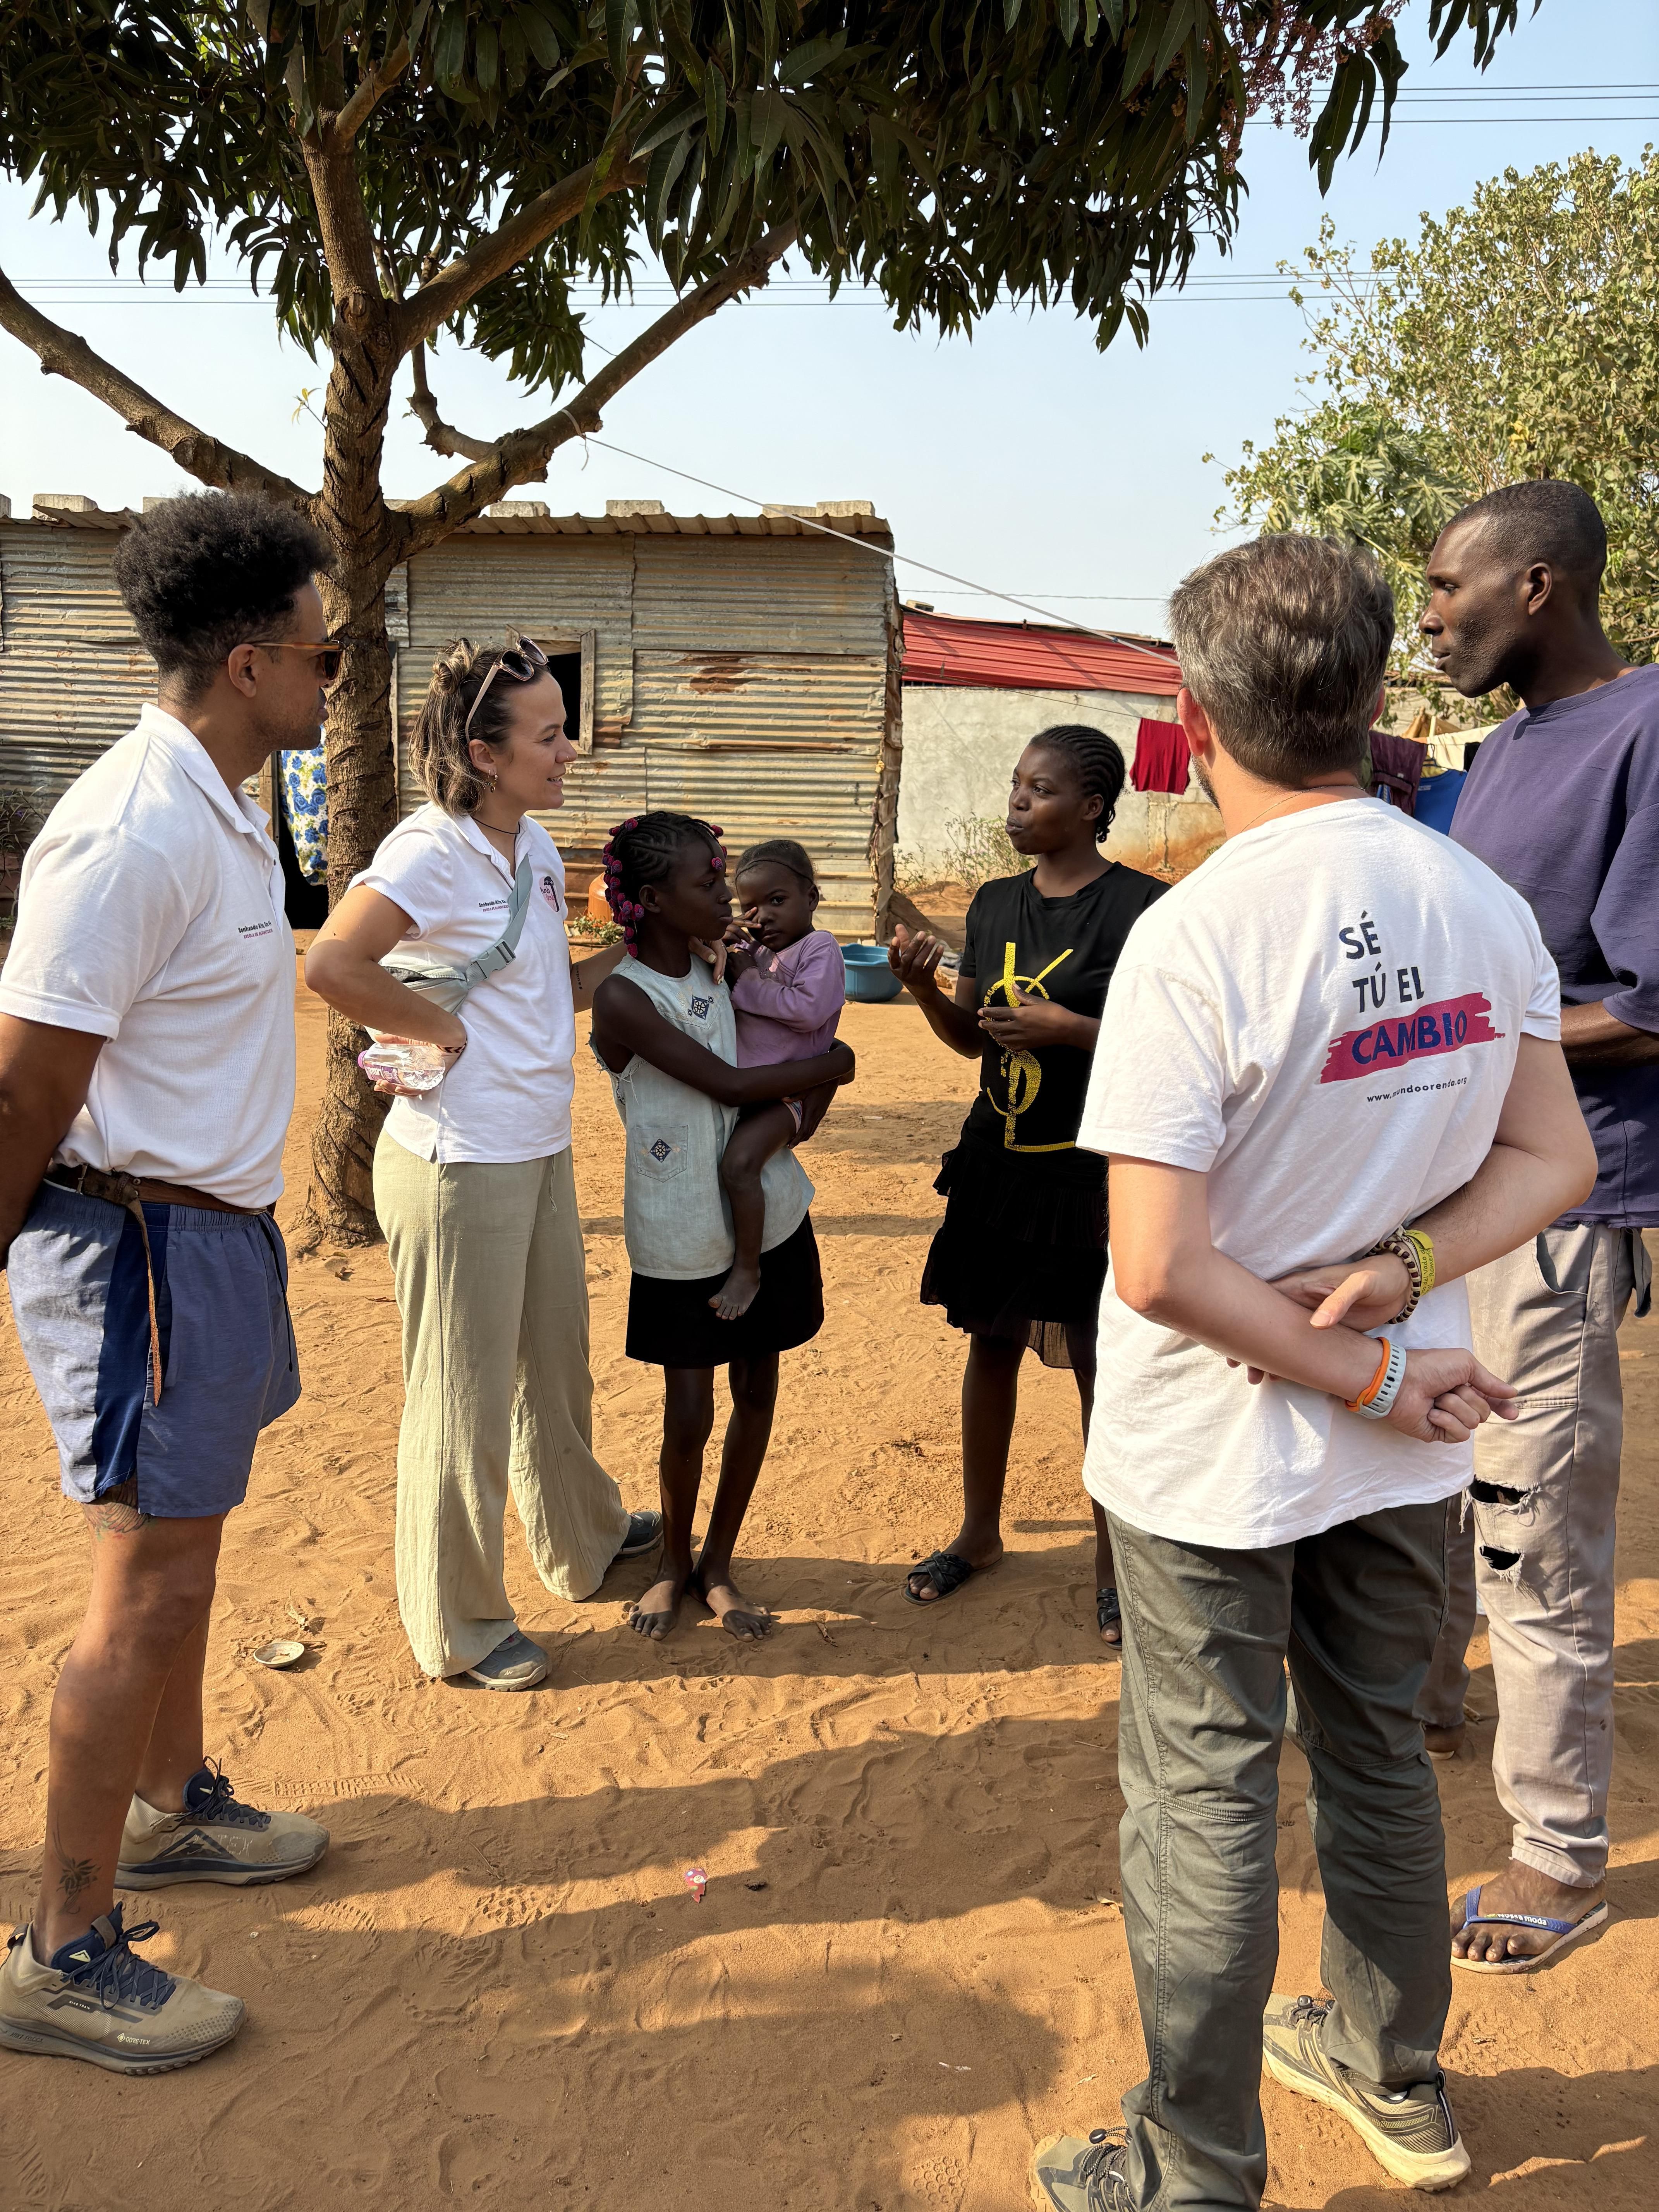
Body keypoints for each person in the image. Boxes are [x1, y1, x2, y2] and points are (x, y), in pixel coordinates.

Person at [1029, 534, 1596, 2212]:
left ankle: (1193, 2161)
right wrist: (1404, 1290)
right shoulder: (1474, 899)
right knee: (1370, 1755)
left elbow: (1154, 1266)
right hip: (1404, 1438)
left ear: (1188, 706)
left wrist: (1354, 1360)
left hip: (1225, 1447)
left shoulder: (1194, 937)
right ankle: (1389, 2065)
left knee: (1199, 1783)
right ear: (1369, 695)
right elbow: (1547, 1156)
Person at [0, 492, 339, 2073]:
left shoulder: (224, 797)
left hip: (210, 1233)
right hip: (137, 1245)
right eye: (328, 651)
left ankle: (168, 1807)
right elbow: (24, 1086)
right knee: (140, 1590)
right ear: (254, 660)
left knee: (189, 1570)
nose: (340, 675)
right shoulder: (131, 826)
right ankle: (62, 1946)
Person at [304, 635, 660, 1692]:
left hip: (535, 1143)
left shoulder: (535, 850)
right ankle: (458, 1626)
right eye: (548, 735)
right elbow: (332, 961)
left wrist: (645, 953)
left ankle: (579, 1540)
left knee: (552, 1364)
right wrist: (436, 1033)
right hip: (459, 1165)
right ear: (483, 751)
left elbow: (548, 992)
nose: (567, 749)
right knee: (459, 1400)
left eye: (563, 728)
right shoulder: (430, 851)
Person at [1418, 479, 1659, 1969]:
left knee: (1535, 1522)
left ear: (1538, 588)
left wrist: (1461, 1045)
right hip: (1459, 1191)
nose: (1432, 613)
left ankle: (1559, 1854)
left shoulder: (1642, 731)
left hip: (1561, 1198)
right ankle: (1439, 1710)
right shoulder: (1503, 752)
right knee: (1445, 1468)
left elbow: (1643, 1003)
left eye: (1451, 585)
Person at [886, 727, 1166, 1643]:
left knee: (1099, 1367)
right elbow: (973, 1038)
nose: (1017, 801)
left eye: (1039, 789)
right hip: (999, 1168)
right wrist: (924, 989)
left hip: (1087, 1178)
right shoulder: (994, 903)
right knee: (990, 1346)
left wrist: (1069, 1030)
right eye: (1015, 784)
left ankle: (1111, 1561)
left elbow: (1174, 1051)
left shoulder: (1140, 912)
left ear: (1090, 808)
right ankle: (979, 1534)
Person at [589, 813, 855, 1640]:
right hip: (679, 1239)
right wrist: (836, 1068)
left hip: (766, 1220)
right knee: (688, 1415)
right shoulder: (625, 997)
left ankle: (720, 1566)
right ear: (657, 901)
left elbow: (780, 1053)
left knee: (758, 1393)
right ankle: (673, 1562)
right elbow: (727, 1084)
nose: (728, 899)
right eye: (710, 885)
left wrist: (810, 1092)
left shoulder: (721, 970)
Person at [709, 838, 847, 1320]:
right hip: (744, 1092)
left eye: (777, 901)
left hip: (783, 1098)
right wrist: (725, 940)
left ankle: (748, 1270)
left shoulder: (819, 948)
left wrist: (747, 980)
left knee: (739, 1166)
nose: (762, 915)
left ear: (811, 897)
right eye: (749, 906)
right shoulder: (753, 949)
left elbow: (807, 1012)